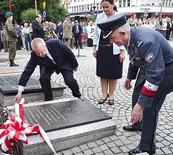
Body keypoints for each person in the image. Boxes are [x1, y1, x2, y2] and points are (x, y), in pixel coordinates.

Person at [97, 12, 173, 155]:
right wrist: (130, 77)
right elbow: (135, 56)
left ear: (123, 33)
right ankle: (138, 124)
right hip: (151, 67)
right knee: (137, 93)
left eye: (113, 38)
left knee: (149, 105)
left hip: (166, 72)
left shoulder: (147, 41)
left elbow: (155, 75)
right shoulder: (128, 37)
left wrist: (141, 105)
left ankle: (147, 146)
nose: (112, 42)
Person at [14, 38, 82, 102]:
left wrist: (75, 65)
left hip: (63, 63)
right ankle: (48, 99)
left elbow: (69, 53)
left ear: (45, 45)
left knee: (69, 81)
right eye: (37, 53)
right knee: (43, 78)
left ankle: (77, 95)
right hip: (47, 65)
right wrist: (19, 92)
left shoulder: (56, 43)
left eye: (41, 51)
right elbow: (27, 71)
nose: (40, 54)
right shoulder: (34, 55)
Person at [93, 0, 126, 105]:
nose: (105, 9)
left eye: (107, 7)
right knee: (103, 73)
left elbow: (124, 35)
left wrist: (123, 51)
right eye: (103, 7)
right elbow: (96, 34)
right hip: (102, 48)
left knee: (113, 73)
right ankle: (104, 94)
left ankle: (111, 95)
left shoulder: (120, 18)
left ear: (113, 5)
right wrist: (94, 47)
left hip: (115, 48)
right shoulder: (99, 17)